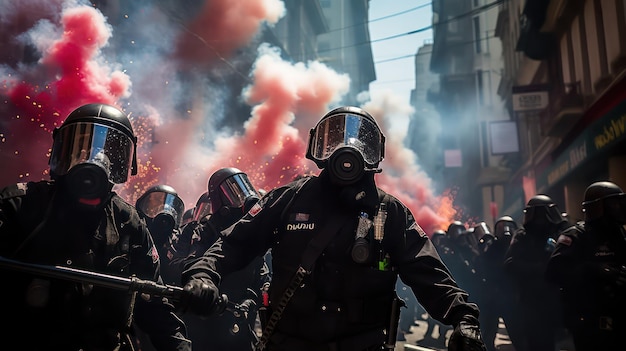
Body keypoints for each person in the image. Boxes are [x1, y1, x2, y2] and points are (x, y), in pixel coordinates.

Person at [178, 106, 486, 351]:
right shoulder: (290, 198)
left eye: (360, 142)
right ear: (318, 148)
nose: (347, 151)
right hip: (290, 345)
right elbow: (235, 244)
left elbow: (428, 272)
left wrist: (463, 317)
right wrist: (203, 273)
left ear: (374, 155)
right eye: (333, 138)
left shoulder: (389, 212)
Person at [0, 103, 191, 350]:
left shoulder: (128, 222)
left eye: (109, 153)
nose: (93, 162)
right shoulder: (20, 204)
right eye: (81, 149)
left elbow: (155, 304)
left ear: (123, 165)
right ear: (60, 150)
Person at [171, 167, 270, 351]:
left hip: (238, 325)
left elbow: (261, 278)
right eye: (233, 191)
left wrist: (250, 299)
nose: (244, 197)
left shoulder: (250, 233)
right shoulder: (202, 231)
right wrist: (202, 280)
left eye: (243, 188)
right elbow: (177, 265)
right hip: (203, 322)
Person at [546, 181, 626, 350]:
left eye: (620, 203)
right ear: (598, 207)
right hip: (589, 320)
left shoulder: (619, 233)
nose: (619, 208)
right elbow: (554, 271)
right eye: (614, 204)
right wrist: (595, 269)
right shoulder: (576, 236)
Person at [503, 194, 566, 351]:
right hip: (532, 300)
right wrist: (538, 267)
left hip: (557, 297)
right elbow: (509, 264)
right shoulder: (522, 236)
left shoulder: (560, 233)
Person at [135, 184, 185, 285]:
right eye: (154, 206)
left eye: (170, 207)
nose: (162, 212)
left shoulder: (176, 246)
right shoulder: (134, 235)